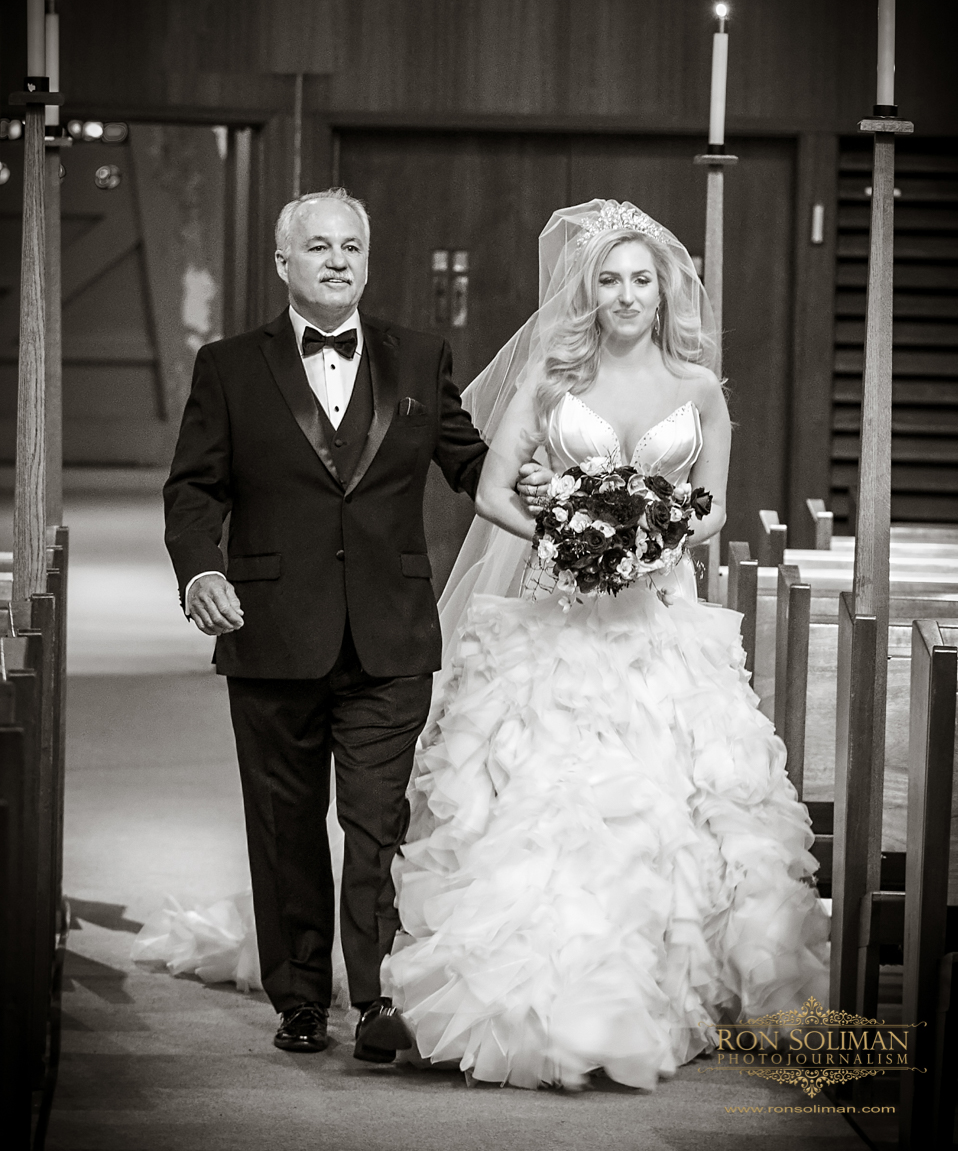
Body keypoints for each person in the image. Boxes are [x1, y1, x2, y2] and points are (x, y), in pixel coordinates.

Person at [380, 200, 830, 1090]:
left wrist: (652, 544)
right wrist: (564, 539)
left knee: (668, 808)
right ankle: (542, 992)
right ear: (589, 291)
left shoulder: (699, 389)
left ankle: (661, 987)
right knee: (549, 806)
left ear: (666, 292)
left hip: (659, 623)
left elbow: (714, 506)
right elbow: (495, 490)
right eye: (611, 280)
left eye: (642, 279)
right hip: (556, 620)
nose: (627, 294)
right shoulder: (552, 375)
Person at [161, 188, 551, 1061]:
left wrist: (552, 489)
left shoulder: (420, 356)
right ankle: (301, 998)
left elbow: (469, 462)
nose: (338, 261)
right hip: (270, 630)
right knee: (285, 824)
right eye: (319, 247)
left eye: (351, 247)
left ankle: (376, 1000)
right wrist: (202, 571)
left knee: (377, 824)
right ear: (283, 264)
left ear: (367, 261)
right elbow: (192, 491)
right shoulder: (227, 366)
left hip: (390, 634)